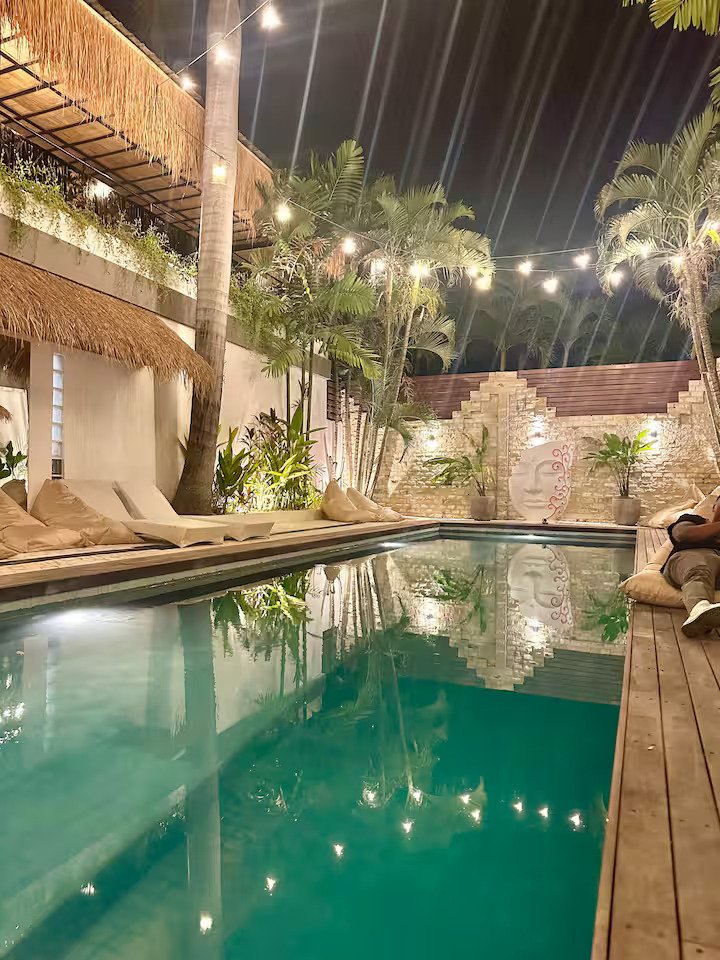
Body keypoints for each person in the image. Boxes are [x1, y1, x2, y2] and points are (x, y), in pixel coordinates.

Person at [663, 498, 720, 636]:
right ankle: (699, 610)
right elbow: (683, 534)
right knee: (700, 567)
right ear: (714, 506)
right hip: (691, 558)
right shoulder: (693, 520)